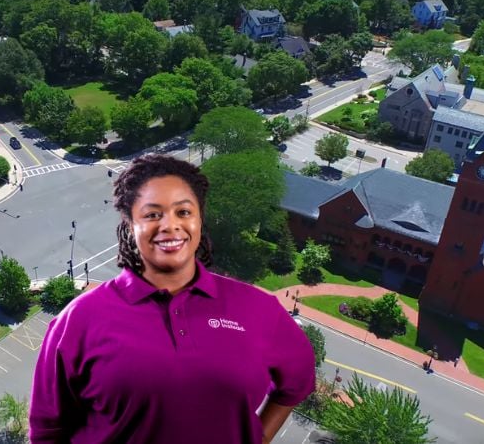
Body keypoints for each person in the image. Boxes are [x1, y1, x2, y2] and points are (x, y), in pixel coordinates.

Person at [29, 154, 315, 443]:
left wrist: (258, 438)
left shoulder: (257, 309)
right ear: (130, 225)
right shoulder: (78, 320)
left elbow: (296, 382)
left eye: (183, 212)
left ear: (200, 220)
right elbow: (48, 431)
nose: (169, 225)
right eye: (152, 214)